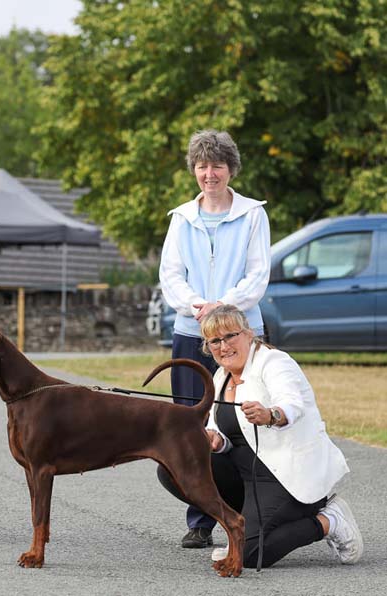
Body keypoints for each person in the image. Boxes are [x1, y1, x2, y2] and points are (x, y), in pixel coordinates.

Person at [158, 304, 363, 568]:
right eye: (215, 341)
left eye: (230, 335)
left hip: (286, 476)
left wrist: (272, 415)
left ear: (249, 333)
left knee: (250, 556)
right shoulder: (221, 375)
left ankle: (327, 520)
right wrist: (215, 440)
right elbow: (226, 431)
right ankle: (241, 529)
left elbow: (293, 404)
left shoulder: (274, 362)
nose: (224, 346)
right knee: (174, 466)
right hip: (247, 476)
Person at [158, 129, 271, 548]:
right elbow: (170, 275)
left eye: (217, 165)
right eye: (202, 165)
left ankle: (254, 510)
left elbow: (257, 275)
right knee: (190, 425)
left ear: (230, 169)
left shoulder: (253, 214)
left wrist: (222, 308)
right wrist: (196, 306)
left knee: (241, 419)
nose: (210, 173)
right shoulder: (181, 218)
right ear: (194, 170)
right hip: (191, 333)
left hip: (241, 333)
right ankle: (201, 520)